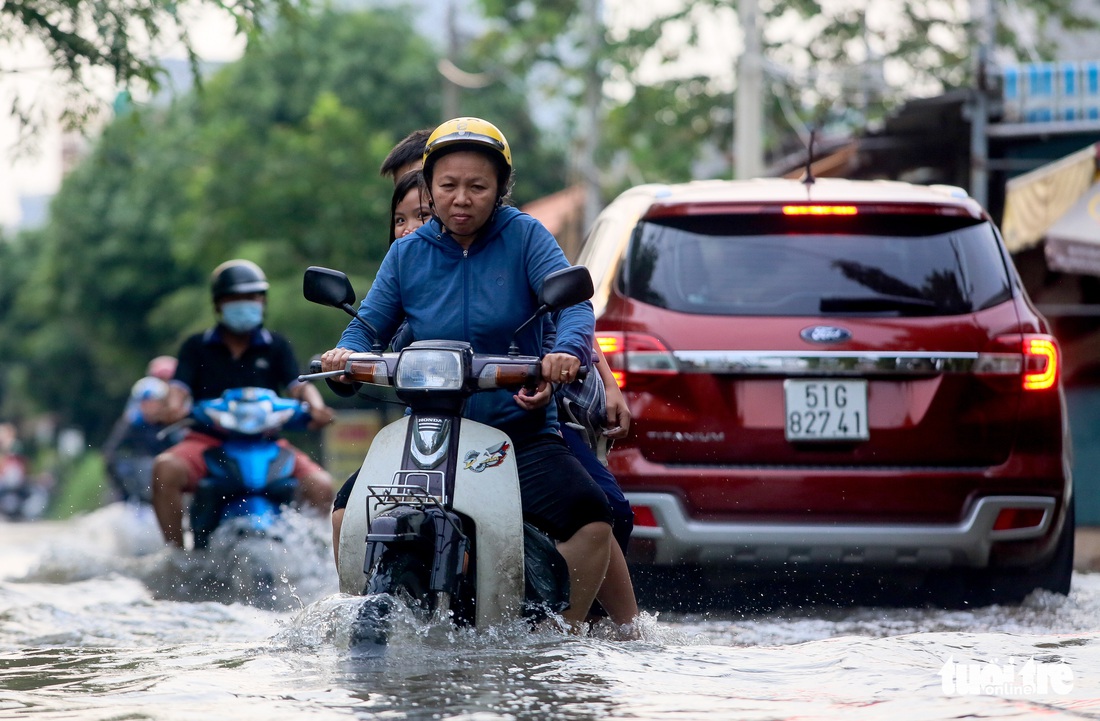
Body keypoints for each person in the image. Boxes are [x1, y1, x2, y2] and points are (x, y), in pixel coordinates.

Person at [323, 117, 622, 633]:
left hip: (517, 433)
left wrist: (565, 354)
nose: (462, 198)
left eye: (478, 187)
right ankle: (364, 615)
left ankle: (563, 634)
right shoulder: (406, 254)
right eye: (448, 185)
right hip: (430, 436)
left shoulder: (526, 236)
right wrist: (343, 357)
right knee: (346, 511)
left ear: (500, 189)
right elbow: (367, 325)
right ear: (430, 188)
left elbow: (574, 305)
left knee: (592, 519)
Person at [152, 259, 336, 548]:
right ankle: (176, 555)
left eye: (253, 297)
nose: (245, 304)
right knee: (165, 469)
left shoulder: (277, 346)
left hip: (268, 443)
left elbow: (298, 386)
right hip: (207, 442)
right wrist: (173, 408)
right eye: (235, 298)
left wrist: (316, 406)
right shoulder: (196, 346)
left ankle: (315, 554)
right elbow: (179, 388)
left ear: (263, 301)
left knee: (322, 485)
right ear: (218, 304)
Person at [102, 370, 183, 503]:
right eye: (146, 402)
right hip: (137, 472)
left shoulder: (170, 423)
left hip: (163, 469)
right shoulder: (130, 423)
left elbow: (178, 447)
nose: (150, 407)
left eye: (154, 402)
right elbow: (111, 450)